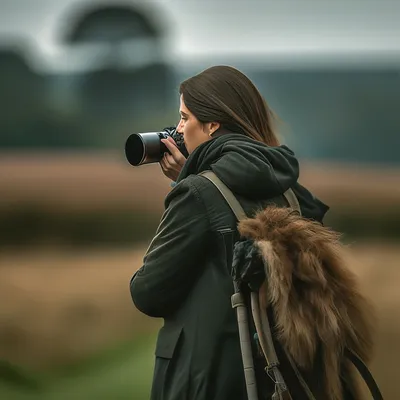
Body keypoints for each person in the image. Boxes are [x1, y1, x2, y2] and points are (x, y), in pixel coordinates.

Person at [129, 66, 369, 400]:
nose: (178, 130)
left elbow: (148, 293)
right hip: (279, 374)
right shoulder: (287, 188)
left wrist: (186, 183)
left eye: (184, 118)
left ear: (213, 124)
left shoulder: (196, 193)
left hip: (206, 377)